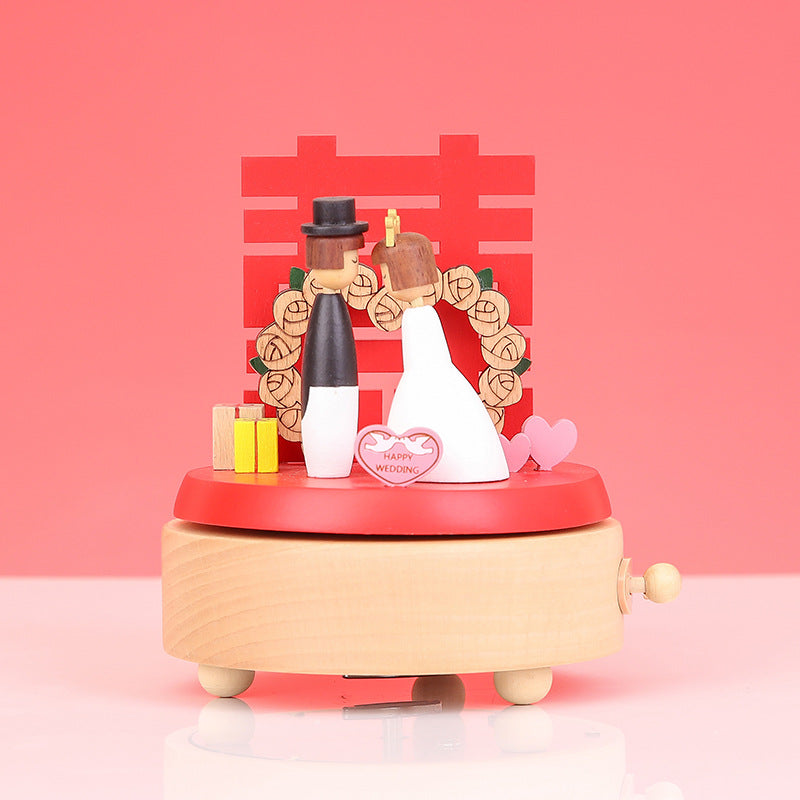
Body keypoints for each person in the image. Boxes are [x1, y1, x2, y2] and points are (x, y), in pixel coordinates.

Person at [371, 225, 509, 483]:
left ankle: (437, 465)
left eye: (387, 276)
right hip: (424, 381)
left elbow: (422, 363)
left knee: (422, 420)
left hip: (423, 382)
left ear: (404, 274)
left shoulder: (417, 317)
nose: (385, 283)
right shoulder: (420, 314)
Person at [300, 197, 368, 478]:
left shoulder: (331, 308)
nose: (356, 265)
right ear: (330, 257)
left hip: (340, 398)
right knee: (326, 410)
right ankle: (325, 466)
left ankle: (333, 466)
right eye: (353, 259)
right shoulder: (328, 311)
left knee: (339, 408)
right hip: (323, 398)